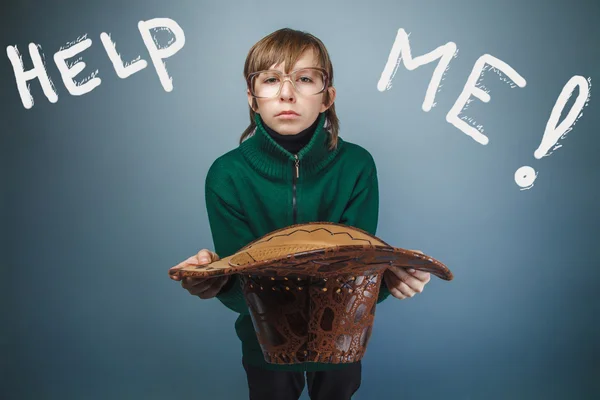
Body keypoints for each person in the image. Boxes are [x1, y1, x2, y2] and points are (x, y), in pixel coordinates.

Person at [169, 28, 431, 400]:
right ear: (252, 98)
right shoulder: (226, 175)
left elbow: (355, 265)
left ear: (327, 98)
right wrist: (215, 278)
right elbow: (238, 280)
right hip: (264, 341)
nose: (287, 93)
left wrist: (389, 280)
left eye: (306, 79)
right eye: (272, 80)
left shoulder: (357, 165)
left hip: (342, 337)